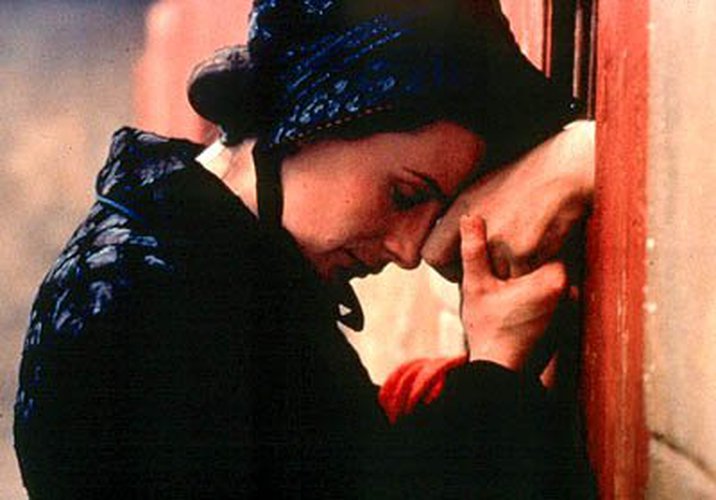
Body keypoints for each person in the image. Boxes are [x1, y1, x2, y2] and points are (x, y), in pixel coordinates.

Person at [14, 0, 594, 497]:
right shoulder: (148, 299)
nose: (409, 248)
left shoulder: (199, 255)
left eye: (434, 210)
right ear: (311, 121)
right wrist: (494, 369)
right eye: (404, 194)